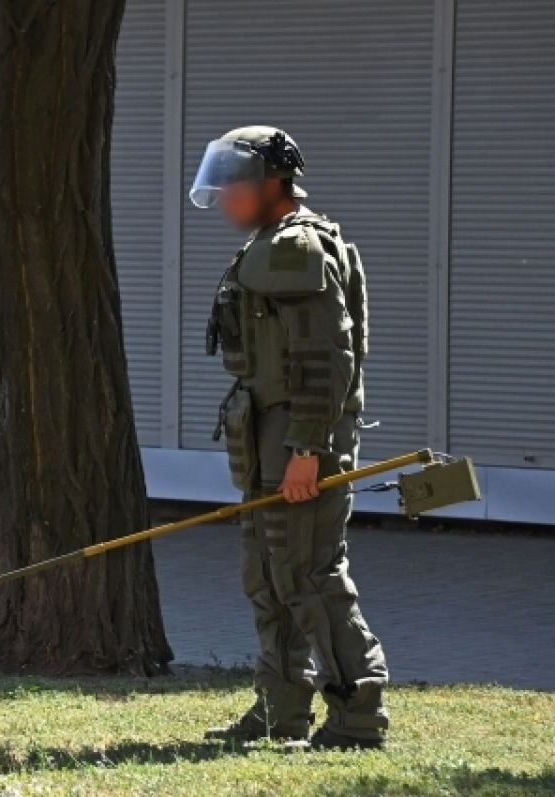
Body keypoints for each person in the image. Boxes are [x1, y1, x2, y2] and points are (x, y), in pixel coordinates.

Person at [191, 126, 388, 750]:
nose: (223, 198)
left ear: (268, 185)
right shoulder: (273, 243)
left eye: (232, 187)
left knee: (307, 573)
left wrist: (308, 449)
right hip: (268, 437)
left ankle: (358, 714)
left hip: (299, 438)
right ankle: (282, 710)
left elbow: (323, 359)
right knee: (269, 573)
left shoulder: (295, 248)